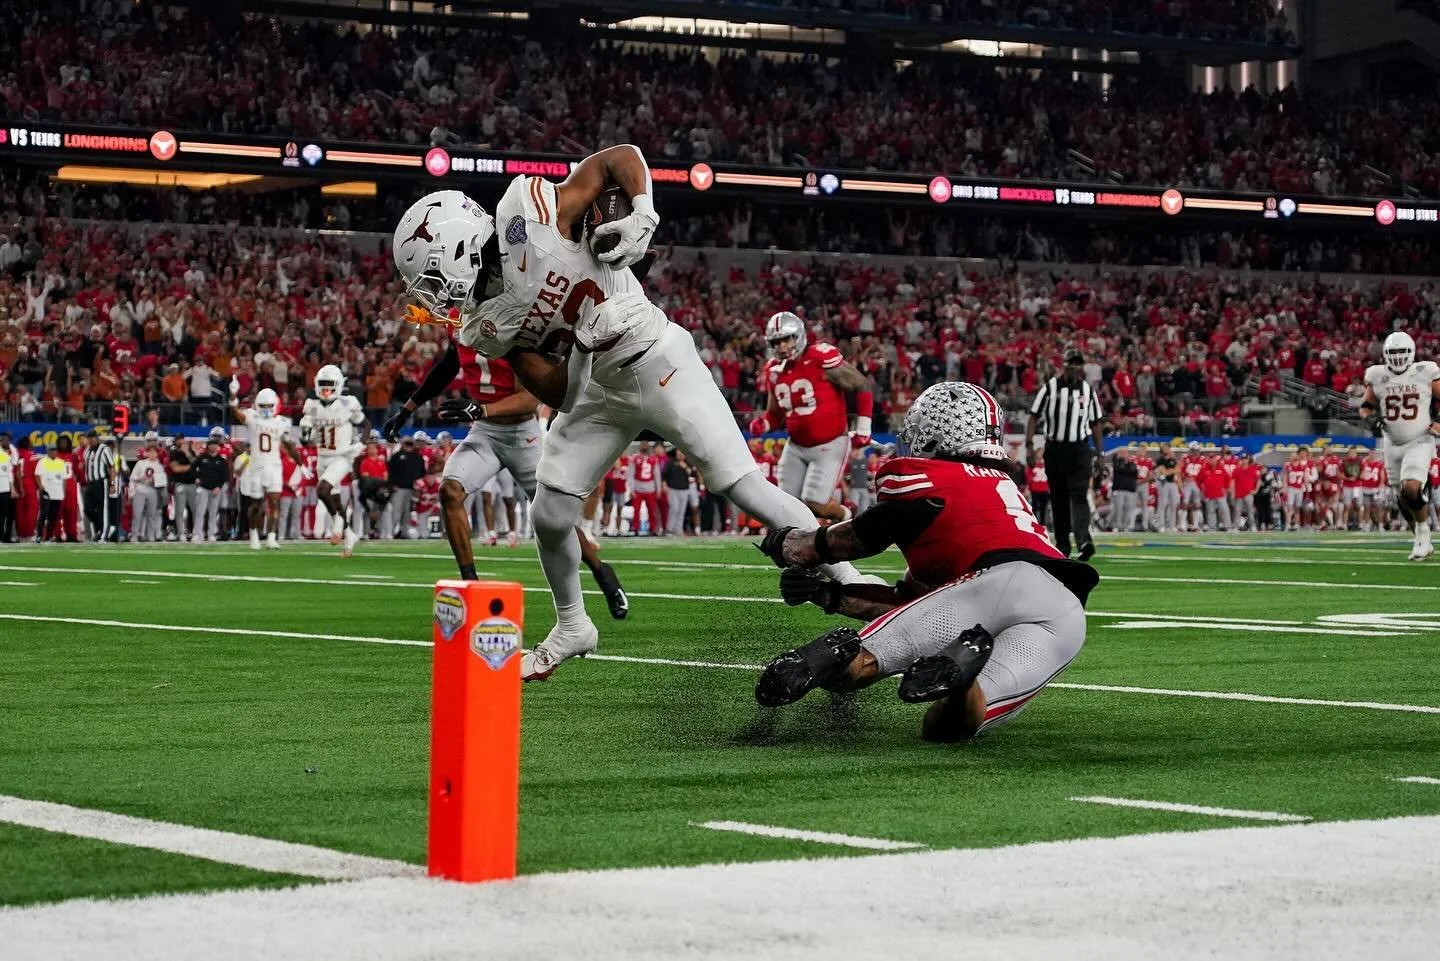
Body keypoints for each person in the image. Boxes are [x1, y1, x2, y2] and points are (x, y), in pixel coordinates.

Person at [392, 154, 871, 679]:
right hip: (599, 387)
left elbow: (617, 161)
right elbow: (561, 392)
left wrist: (642, 216)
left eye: (430, 277)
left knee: (748, 490)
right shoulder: (485, 324)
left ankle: (858, 593)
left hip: (661, 361)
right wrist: (578, 346)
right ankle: (573, 625)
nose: (430, 295)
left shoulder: (527, 217)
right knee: (549, 513)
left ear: (458, 248)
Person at [753, 382, 1099, 742]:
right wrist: (828, 595)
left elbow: (857, 538)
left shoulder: (929, 477)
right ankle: (961, 678)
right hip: (1063, 610)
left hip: (989, 582)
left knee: (859, 669)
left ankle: (825, 660)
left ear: (937, 434)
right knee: (953, 725)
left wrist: (793, 544)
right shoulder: (1007, 490)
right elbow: (909, 602)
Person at [380, 338, 628, 617]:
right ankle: (470, 586)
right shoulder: (463, 326)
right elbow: (445, 369)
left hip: (523, 436)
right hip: (485, 433)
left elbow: (530, 399)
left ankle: (602, 573)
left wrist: (480, 409)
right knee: (450, 491)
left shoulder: (514, 327)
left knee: (555, 519)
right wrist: (406, 412)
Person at [749, 311, 872, 523]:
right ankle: (796, 546)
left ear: (798, 336)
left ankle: (851, 516)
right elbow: (775, 413)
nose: (782, 347)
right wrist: (765, 423)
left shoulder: (819, 357)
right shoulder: (773, 370)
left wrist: (863, 428)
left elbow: (862, 385)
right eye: (776, 342)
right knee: (785, 504)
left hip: (830, 443)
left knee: (815, 503)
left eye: (786, 340)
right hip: (795, 445)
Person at [1358, 331, 1440, 560]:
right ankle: (1420, 539)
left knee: (1412, 487)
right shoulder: (1377, 375)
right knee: (1403, 497)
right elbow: (1366, 405)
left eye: (1402, 352)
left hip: (1420, 438)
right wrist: (1370, 418)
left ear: (1411, 352)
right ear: (1385, 353)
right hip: (1391, 442)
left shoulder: (1424, 371)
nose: (1397, 357)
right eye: (1393, 352)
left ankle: (1424, 532)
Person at [1025, 353, 1102, 559]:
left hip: (1079, 449)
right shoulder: (1050, 387)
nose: (1075, 369)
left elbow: (1095, 424)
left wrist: (1100, 455)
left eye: (1079, 365)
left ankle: (1084, 541)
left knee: (1079, 495)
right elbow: (1034, 416)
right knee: (1058, 497)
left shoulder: (1087, 390)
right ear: (1064, 366)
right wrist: (1029, 445)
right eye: (1071, 365)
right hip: (1055, 449)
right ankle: (1062, 544)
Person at [301, 364, 367, 554]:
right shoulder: (311, 406)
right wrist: (305, 434)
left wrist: (361, 443)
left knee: (322, 490)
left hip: (341, 456)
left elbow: (366, 424)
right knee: (335, 501)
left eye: (330, 384)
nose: (326, 388)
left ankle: (337, 522)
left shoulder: (347, 403)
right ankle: (349, 535)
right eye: (323, 384)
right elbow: (306, 440)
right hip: (322, 457)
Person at [229, 383, 301, 550]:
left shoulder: (282, 422)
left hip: (274, 466)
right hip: (256, 466)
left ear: (275, 405)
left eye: (269, 406)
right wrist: (233, 395)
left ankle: (271, 537)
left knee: (275, 502)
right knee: (256, 504)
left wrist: (300, 463)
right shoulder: (252, 417)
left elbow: (289, 445)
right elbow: (235, 411)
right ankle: (254, 534)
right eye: (263, 406)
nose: (267, 409)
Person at [387, 437, 427, 539]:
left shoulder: (418, 457)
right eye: (406, 444)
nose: (408, 446)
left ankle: (404, 532)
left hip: (413, 490)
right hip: (398, 488)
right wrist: (392, 485)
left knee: (407, 513)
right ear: (402, 444)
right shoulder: (396, 456)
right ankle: (390, 532)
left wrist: (420, 487)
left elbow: (422, 473)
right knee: (396, 512)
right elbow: (390, 472)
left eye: (410, 444)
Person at [193, 433, 229, 542]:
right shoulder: (201, 458)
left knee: (213, 513)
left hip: (215, 490)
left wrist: (218, 487)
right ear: (208, 446)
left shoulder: (221, 460)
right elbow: (193, 468)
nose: (213, 446)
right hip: (203, 488)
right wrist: (197, 478)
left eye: (215, 445)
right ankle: (197, 534)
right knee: (200, 512)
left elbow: (224, 476)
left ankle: (211, 534)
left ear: (218, 446)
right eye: (211, 444)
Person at [80, 431, 113, 542]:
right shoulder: (87, 451)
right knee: (87, 509)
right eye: (89, 438)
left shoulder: (104, 449)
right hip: (90, 483)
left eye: (93, 438)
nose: (91, 440)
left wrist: (112, 483)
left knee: (102, 509)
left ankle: (104, 535)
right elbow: (86, 466)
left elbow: (111, 467)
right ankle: (100, 528)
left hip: (101, 482)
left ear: (97, 438)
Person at [35, 444, 69, 542]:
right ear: (48, 451)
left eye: (55, 450)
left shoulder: (61, 463)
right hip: (46, 492)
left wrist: (64, 492)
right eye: (52, 450)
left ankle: (48, 536)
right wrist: (41, 487)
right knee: (43, 514)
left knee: (53, 516)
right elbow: (37, 475)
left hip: (57, 493)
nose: (54, 452)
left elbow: (64, 479)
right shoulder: (42, 462)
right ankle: (39, 535)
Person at [168, 438, 197, 541]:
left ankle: (196, 533)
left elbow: (197, 465)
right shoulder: (174, 454)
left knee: (195, 511)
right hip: (180, 484)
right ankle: (181, 534)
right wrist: (190, 467)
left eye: (183, 442)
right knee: (179, 511)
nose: (182, 444)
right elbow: (176, 468)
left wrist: (188, 453)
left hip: (192, 485)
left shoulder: (191, 453)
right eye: (180, 442)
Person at [662, 447, 691, 535]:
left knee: (682, 510)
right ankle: (669, 529)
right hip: (673, 489)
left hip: (684, 489)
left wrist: (685, 467)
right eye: (678, 451)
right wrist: (664, 485)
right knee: (674, 508)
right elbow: (664, 475)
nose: (680, 453)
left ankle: (678, 529)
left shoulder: (688, 463)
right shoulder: (670, 462)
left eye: (681, 451)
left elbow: (692, 473)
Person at [1109, 448, 1139, 533]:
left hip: (1130, 490)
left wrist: (1126, 470)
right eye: (1122, 453)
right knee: (1118, 509)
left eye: (1125, 453)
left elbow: (1135, 473)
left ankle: (1125, 526)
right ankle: (1116, 526)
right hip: (1119, 490)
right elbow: (1120, 469)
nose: (1124, 454)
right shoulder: (1117, 463)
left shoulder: (1132, 464)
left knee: (1128, 509)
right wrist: (1119, 458)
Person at [0, 432, 14, 542]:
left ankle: (2, 535)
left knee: (3, 514)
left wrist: (12, 488)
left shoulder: (5, 457)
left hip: (4, 488)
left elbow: (9, 474)